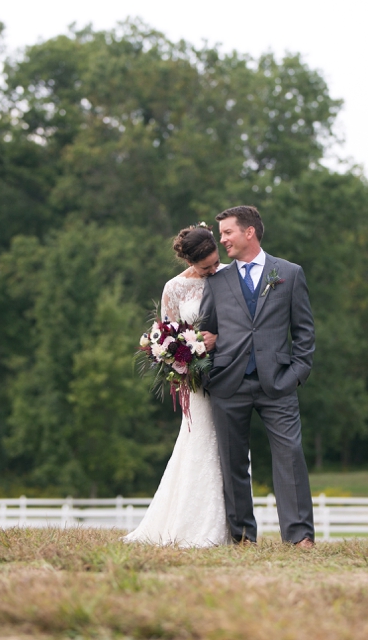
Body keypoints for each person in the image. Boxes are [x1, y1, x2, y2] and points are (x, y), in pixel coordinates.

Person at [198, 205, 316, 546]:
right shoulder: (217, 282)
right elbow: (206, 332)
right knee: (233, 462)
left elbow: (304, 331)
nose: (222, 240)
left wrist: (296, 373)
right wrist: (209, 376)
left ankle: (299, 537)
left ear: (249, 232)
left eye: (227, 233)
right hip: (228, 383)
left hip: (278, 383)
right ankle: (243, 537)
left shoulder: (289, 274)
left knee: (290, 456)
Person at [123, 225, 232, 547]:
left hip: (231, 375)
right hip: (196, 383)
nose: (213, 270)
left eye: (216, 263)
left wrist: (219, 341)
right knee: (197, 446)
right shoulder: (174, 289)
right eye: (206, 267)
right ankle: (190, 524)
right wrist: (184, 355)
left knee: (231, 449)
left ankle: (232, 526)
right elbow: (166, 335)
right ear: (190, 262)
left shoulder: (231, 276)